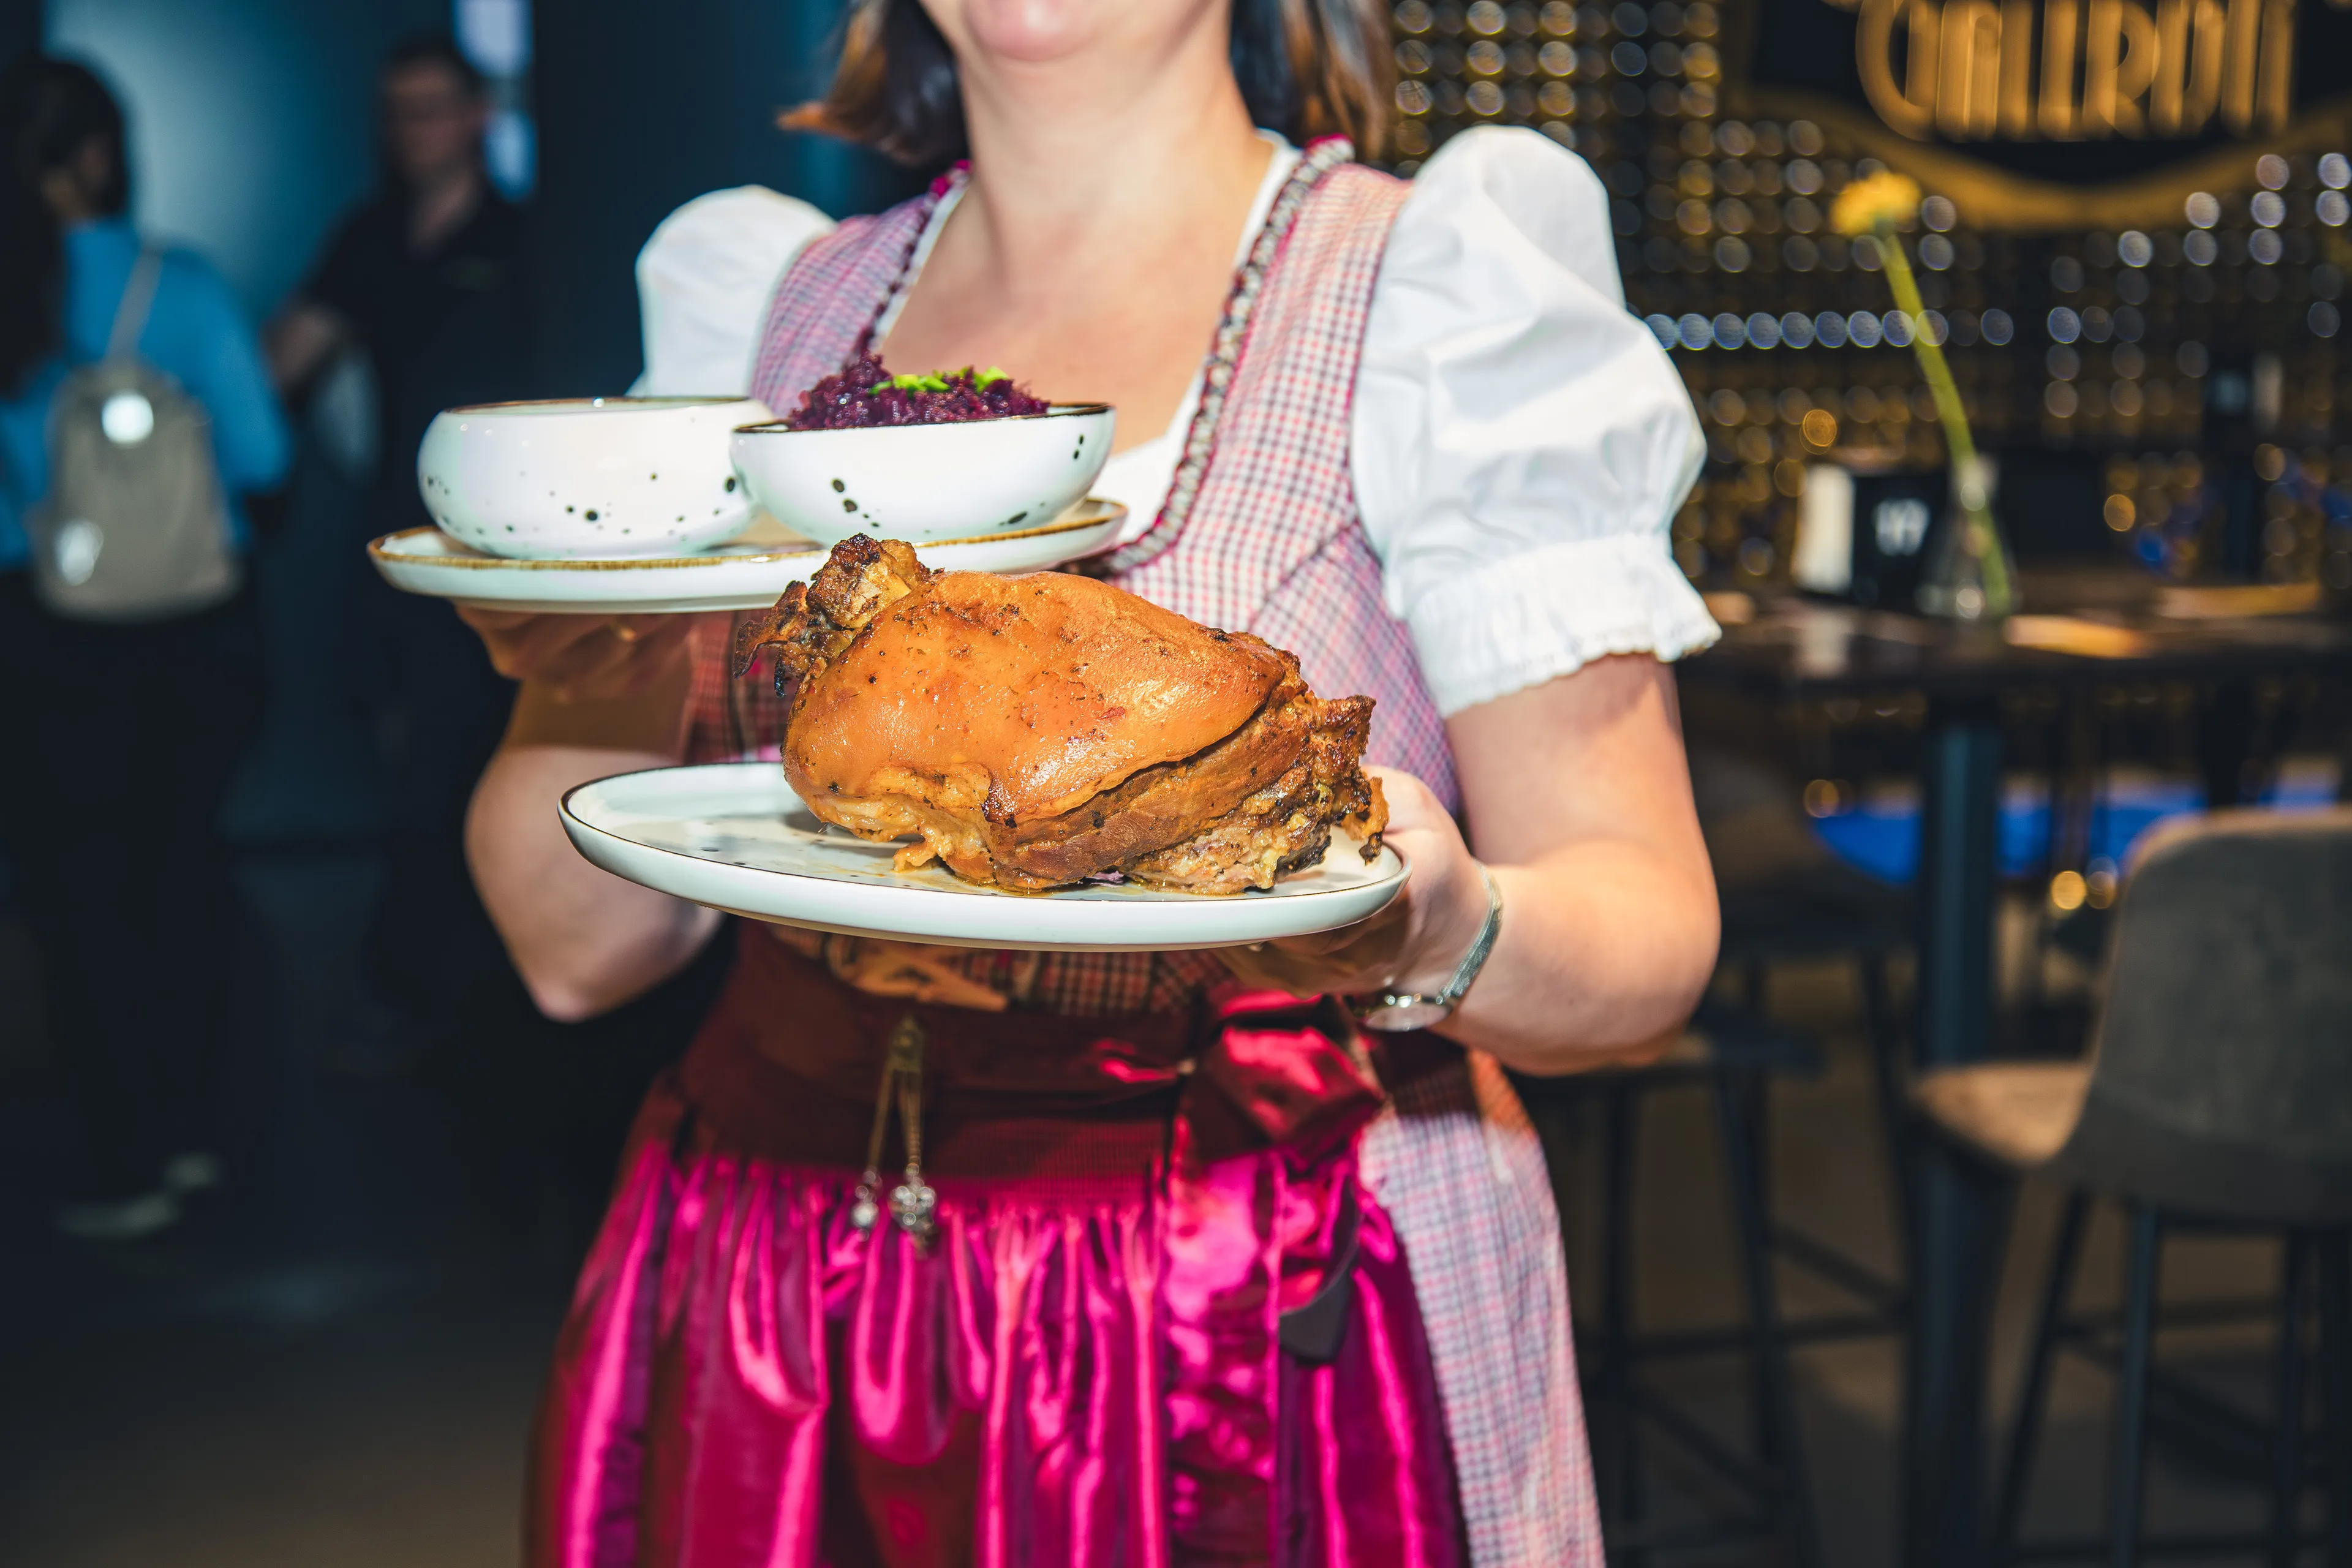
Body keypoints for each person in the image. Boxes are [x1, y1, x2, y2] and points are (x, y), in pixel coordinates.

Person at [466, 0, 1719, 1561]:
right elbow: (573, 952)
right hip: (780, 1295)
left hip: (1244, 1313)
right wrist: (586, 678)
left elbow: (1646, 932)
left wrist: (1425, 927)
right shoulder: (765, 308)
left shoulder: (1436, 292)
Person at [0, 57, 291, 1240]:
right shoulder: (184, 286)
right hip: (198, 631)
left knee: (81, 897)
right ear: (97, 153)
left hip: (51, 637)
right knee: (186, 872)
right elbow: (264, 463)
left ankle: (126, 1153)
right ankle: (209, 1134)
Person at [267, 32, 531, 1057]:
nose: (413, 132)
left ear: (474, 116)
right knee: (410, 770)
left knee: (489, 766)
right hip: (398, 546)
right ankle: (421, 998)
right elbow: (282, 358)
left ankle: (491, 1003)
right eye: (398, 113)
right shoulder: (370, 237)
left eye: (432, 109)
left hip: (510, 558)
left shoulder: (524, 240)